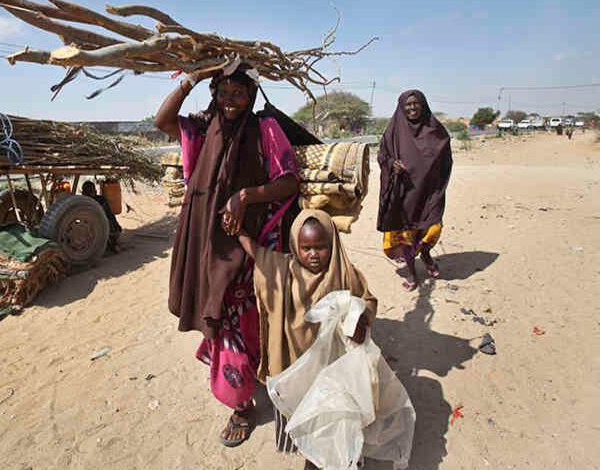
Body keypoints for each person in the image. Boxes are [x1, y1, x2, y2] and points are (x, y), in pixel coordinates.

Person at [154, 61, 299, 447]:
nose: (231, 102)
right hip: (206, 239)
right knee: (224, 320)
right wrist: (193, 78)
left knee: (249, 320)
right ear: (215, 95)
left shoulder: (265, 129)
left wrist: (245, 195)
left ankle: (260, 392)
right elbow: (162, 120)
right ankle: (242, 403)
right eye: (224, 93)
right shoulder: (203, 128)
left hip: (251, 241)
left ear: (251, 97)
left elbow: (288, 182)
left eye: (239, 94)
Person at [238, 209, 377, 457]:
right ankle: (309, 454)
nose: (313, 255)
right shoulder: (283, 271)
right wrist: (237, 231)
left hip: (332, 369)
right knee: (300, 414)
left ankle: (330, 455)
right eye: (306, 248)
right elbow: (259, 255)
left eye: (321, 247)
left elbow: (366, 301)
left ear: (332, 244)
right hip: (294, 364)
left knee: (332, 418)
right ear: (295, 245)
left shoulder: (345, 273)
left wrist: (360, 320)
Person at [377, 90, 453, 291]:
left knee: (433, 227)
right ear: (402, 107)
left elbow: (445, 151)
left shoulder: (434, 129)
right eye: (408, 105)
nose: (412, 108)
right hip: (404, 193)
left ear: (423, 105)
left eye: (416, 104)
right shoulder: (394, 131)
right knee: (406, 234)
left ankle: (426, 255)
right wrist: (392, 164)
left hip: (429, 191)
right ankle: (412, 272)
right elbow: (383, 154)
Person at [81, 181, 122, 253]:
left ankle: (112, 242)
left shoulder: (82, 202)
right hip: (102, 228)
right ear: (94, 191)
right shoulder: (100, 200)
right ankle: (113, 243)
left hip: (93, 229)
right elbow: (109, 216)